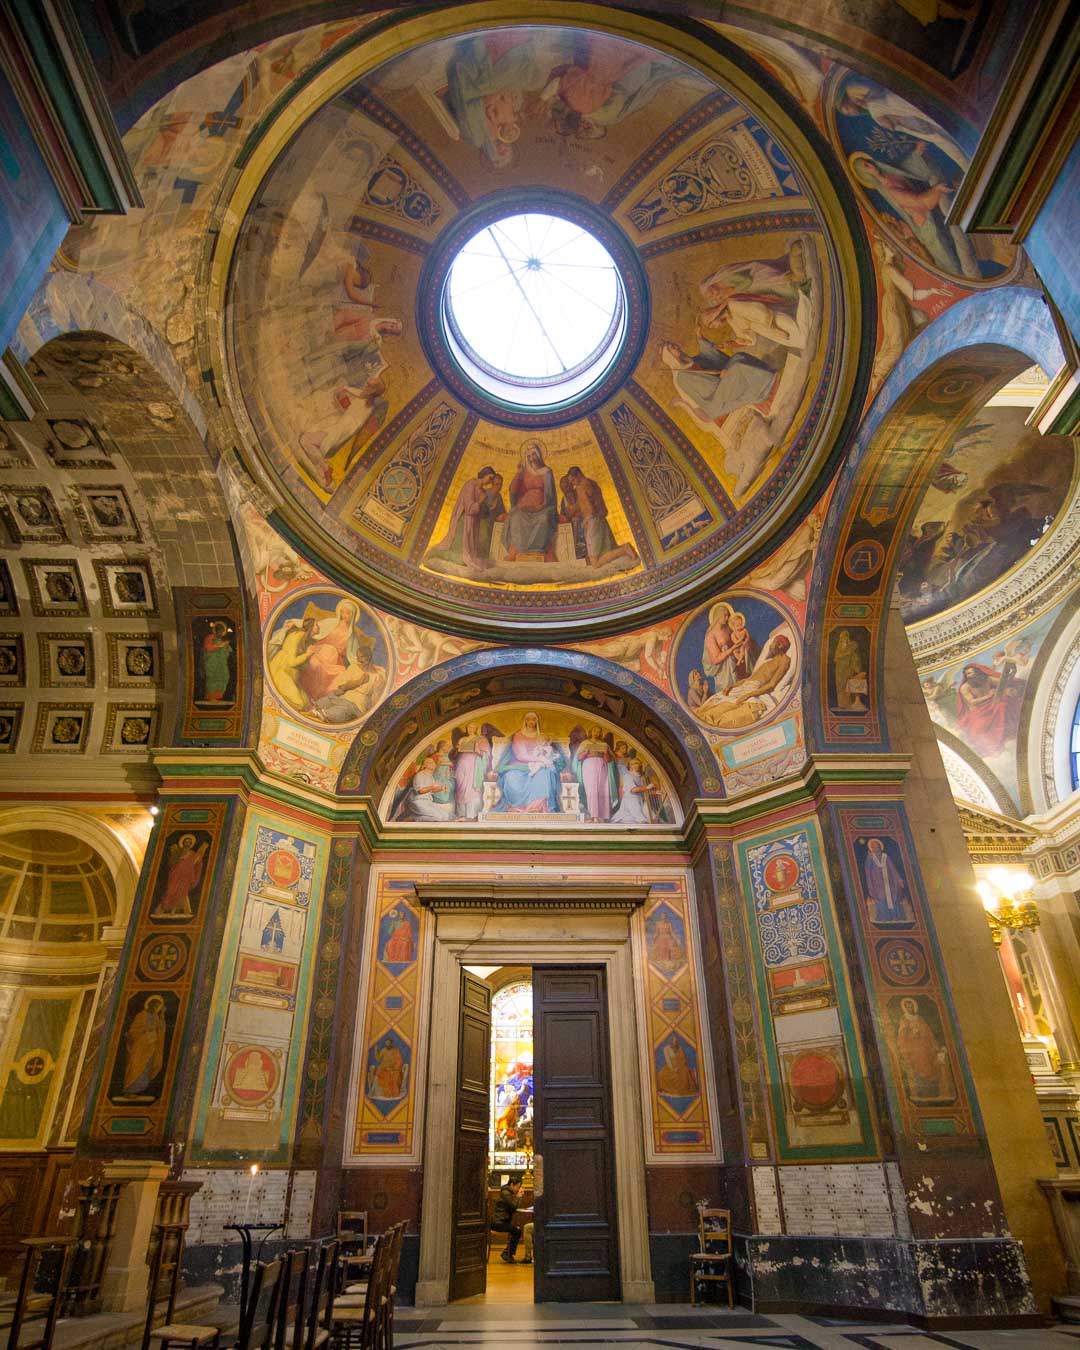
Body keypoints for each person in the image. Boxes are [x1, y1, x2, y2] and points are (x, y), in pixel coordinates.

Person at [427, 466, 504, 571]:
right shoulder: (470, 485)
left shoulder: (482, 491)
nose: (490, 482)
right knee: (459, 552)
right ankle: (435, 555)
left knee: (471, 554)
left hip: (473, 524)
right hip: (463, 523)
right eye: (490, 478)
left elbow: (482, 512)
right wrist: (481, 501)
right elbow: (469, 509)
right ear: (484, 475)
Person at [505, 442, 558, 561]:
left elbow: (550, 496)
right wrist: (518, 473)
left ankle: (540, 552)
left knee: (544, 519)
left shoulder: (546, 472)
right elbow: (513, 490)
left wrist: (540, 507)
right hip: (524, 507)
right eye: (529, 456)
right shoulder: (524, 473)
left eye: (534, 455)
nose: (531, 458)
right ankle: (517, 551)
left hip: (543, 507)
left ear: (539, 455)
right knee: (516, 517)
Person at [491, 1176, 526, 1262]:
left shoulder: (506, 1192)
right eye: (517, 1187)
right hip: (498, 1222)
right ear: (511, 1185)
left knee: (516, 1230)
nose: (517, 1189)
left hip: (501, 1221)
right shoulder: (506, 1193)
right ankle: (507, 1254)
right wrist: (518, 1197)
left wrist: (518, 1197)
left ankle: (507, 1253)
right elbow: (514, 1207)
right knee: (517, 1231)